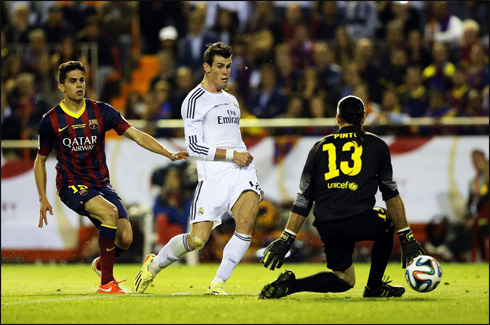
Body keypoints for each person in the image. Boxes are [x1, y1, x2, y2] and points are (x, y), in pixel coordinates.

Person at [34, 61, 188, 294]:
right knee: (110, 213)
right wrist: (42, 198)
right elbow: (40, 161)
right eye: (73, 81)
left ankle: (101, 263)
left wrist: (168, 153)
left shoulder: (101, 111)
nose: (79, 85)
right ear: (61, 87)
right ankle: (106, 283)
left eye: (82, 80)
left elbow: (136, 135)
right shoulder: (51, 120)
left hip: (101, 185)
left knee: (125, 238)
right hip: (70, 185)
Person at [259, 95, 425, 299]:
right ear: (363, 119)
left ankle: (291, 285)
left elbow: (304, 198)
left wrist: (286, 238)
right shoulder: (377, 145)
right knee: (388, 221)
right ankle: (374, 288)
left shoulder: (319, 148)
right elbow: (390, 194)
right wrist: (406, 236)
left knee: (344, 279)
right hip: (359, 219)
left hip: (328, 223)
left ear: (337, 118)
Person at [133, 42, 263, 295]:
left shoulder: (232, 100)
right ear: (207, 67)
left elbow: (232, 138)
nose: (226, 72)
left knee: (246, 221)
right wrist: (232, 155)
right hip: (213, 177)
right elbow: (193, 148)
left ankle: (218, 283)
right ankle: (155, 264)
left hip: (241, 172)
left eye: (228, 66)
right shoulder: (194, 100)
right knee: (197, 240)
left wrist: (245, 165)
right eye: (220, 67)